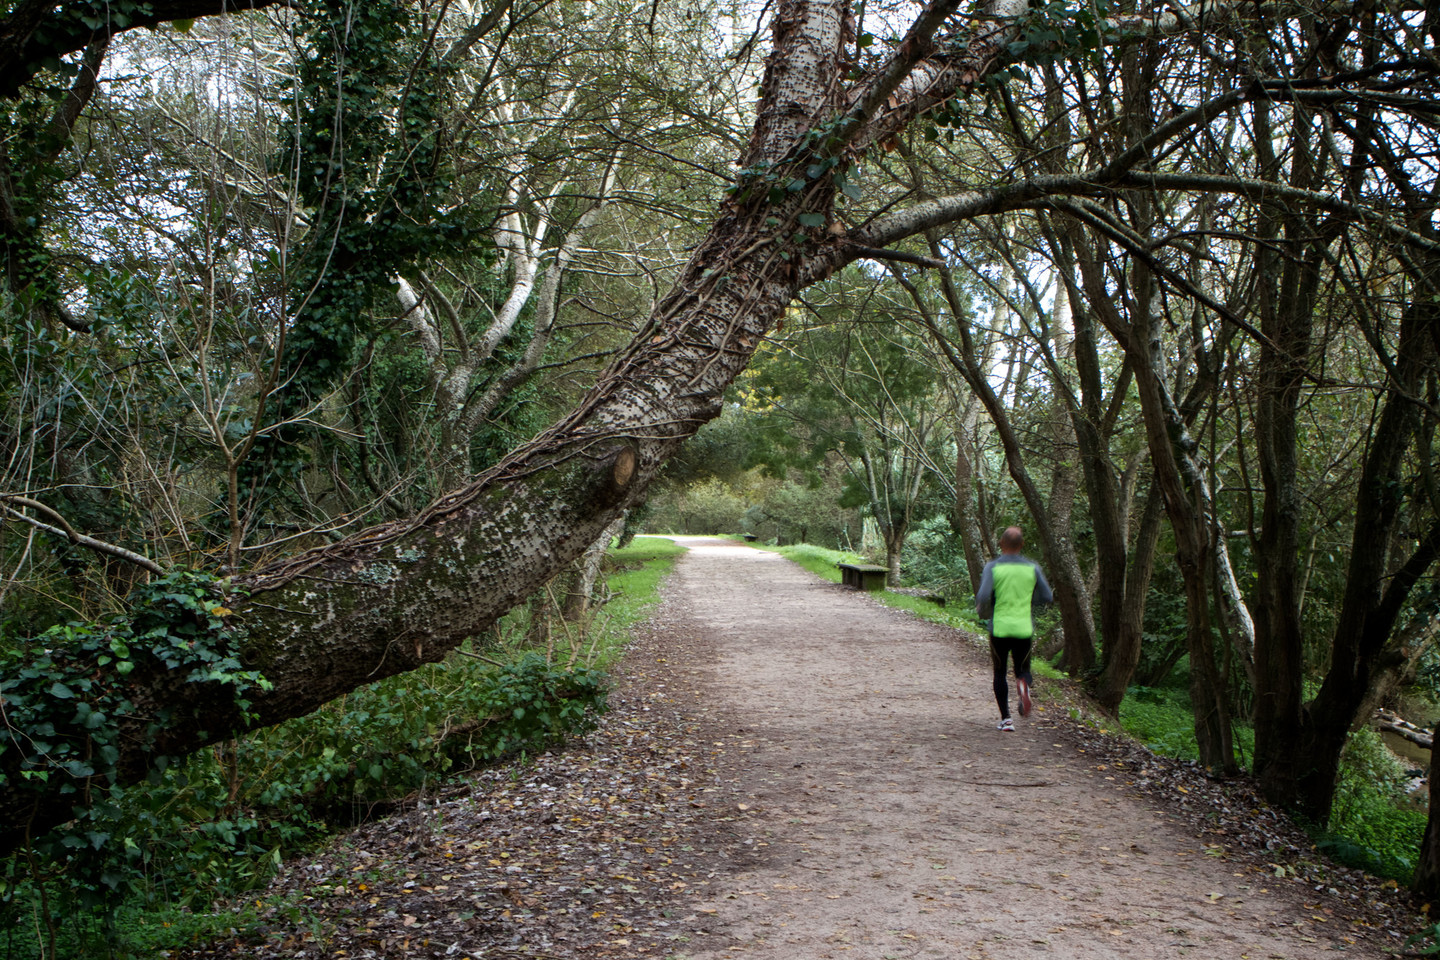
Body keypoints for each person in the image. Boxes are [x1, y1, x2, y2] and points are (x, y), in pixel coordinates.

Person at [974, 526, 1053, 731]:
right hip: (1023, 628)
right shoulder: (1032, 568)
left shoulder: (993, 567)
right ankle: (1023, 685)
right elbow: (1047, 596)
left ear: (1001, 544)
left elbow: (983, 595)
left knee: (1000, 672)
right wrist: (1029, 601)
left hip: (999, 628)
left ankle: (1006, 720)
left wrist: (982, 606)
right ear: (1022, 544)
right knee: (1022, 670)